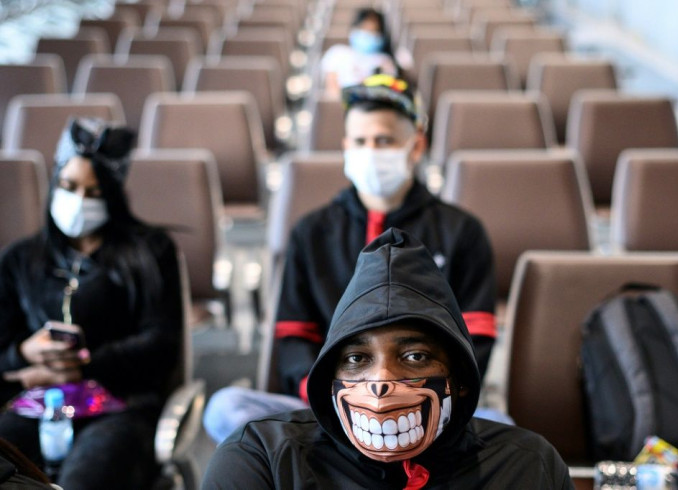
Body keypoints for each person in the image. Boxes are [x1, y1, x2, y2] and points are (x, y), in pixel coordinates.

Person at [203, 74, 499, 443]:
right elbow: (294, 335)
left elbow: (476, 337)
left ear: (416, 146)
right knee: (227, 408)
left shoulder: (461, 231)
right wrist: (339, 399)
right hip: (332, 402)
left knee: (502, 426)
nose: (370, 151)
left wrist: (416, 398)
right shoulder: (312, 231)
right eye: (360, 141)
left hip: (427, 406)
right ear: (345, 147)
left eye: (384, 140)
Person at [202, 228, 572, 488]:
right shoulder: (261, 459)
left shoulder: (526, 467)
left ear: (459, 378)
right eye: (356, 359)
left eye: (414, 356)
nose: (381, 385)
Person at [0, 118, 183, 488]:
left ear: (112, 195)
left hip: (119, 407)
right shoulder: (20, 259)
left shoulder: (149, 253)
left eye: (93, 192)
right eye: (68, 187)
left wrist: (84, 365)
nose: (78, 202)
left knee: (88, 479)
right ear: (54, 184)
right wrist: (23, 354)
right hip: (35, 402)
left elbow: (161, 344)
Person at [321, 8, 399, 97]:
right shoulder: (338, 53)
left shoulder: (385, 61)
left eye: (373, 31)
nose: (367, 34)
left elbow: (389, 92)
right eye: (363, 28)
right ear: (354, 28)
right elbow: (332, 89)